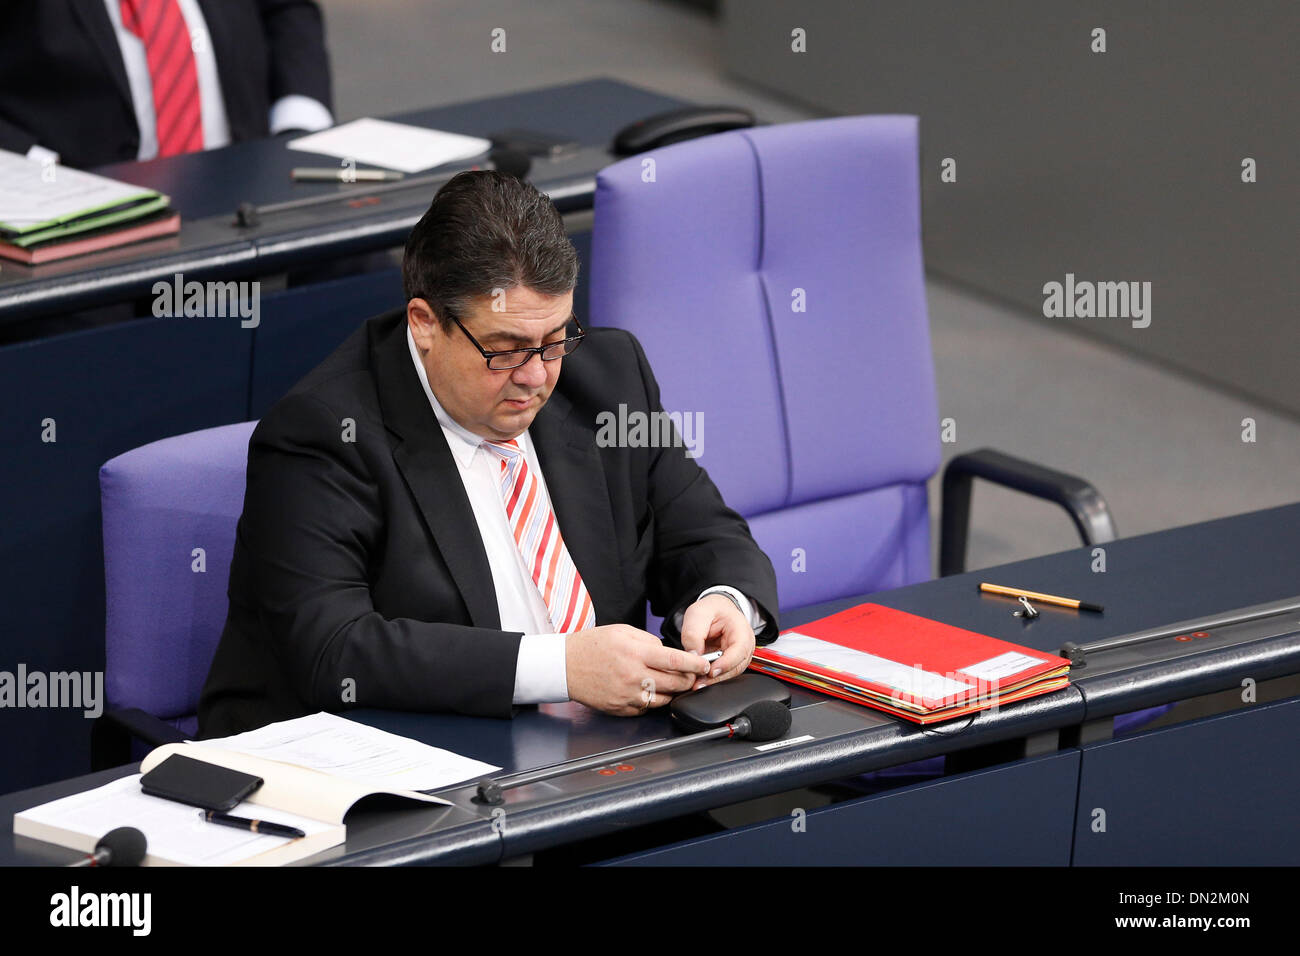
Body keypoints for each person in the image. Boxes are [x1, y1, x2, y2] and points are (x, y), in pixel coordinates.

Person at [198, 170, 779, 737]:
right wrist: (561, 669)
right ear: (425, 323)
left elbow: (702, 532)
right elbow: (334, 649)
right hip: (411, 772)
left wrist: (723, 600)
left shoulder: (609, 378)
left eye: (554, 341)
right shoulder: (324, 433)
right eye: (504, 350)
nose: (536, 377)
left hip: (604, 754)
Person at [0, 0, 332, 169]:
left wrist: (298, 129)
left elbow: (286, 10)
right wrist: (39, 171)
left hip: (254, 181)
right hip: (80, 227)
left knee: (369, 280)